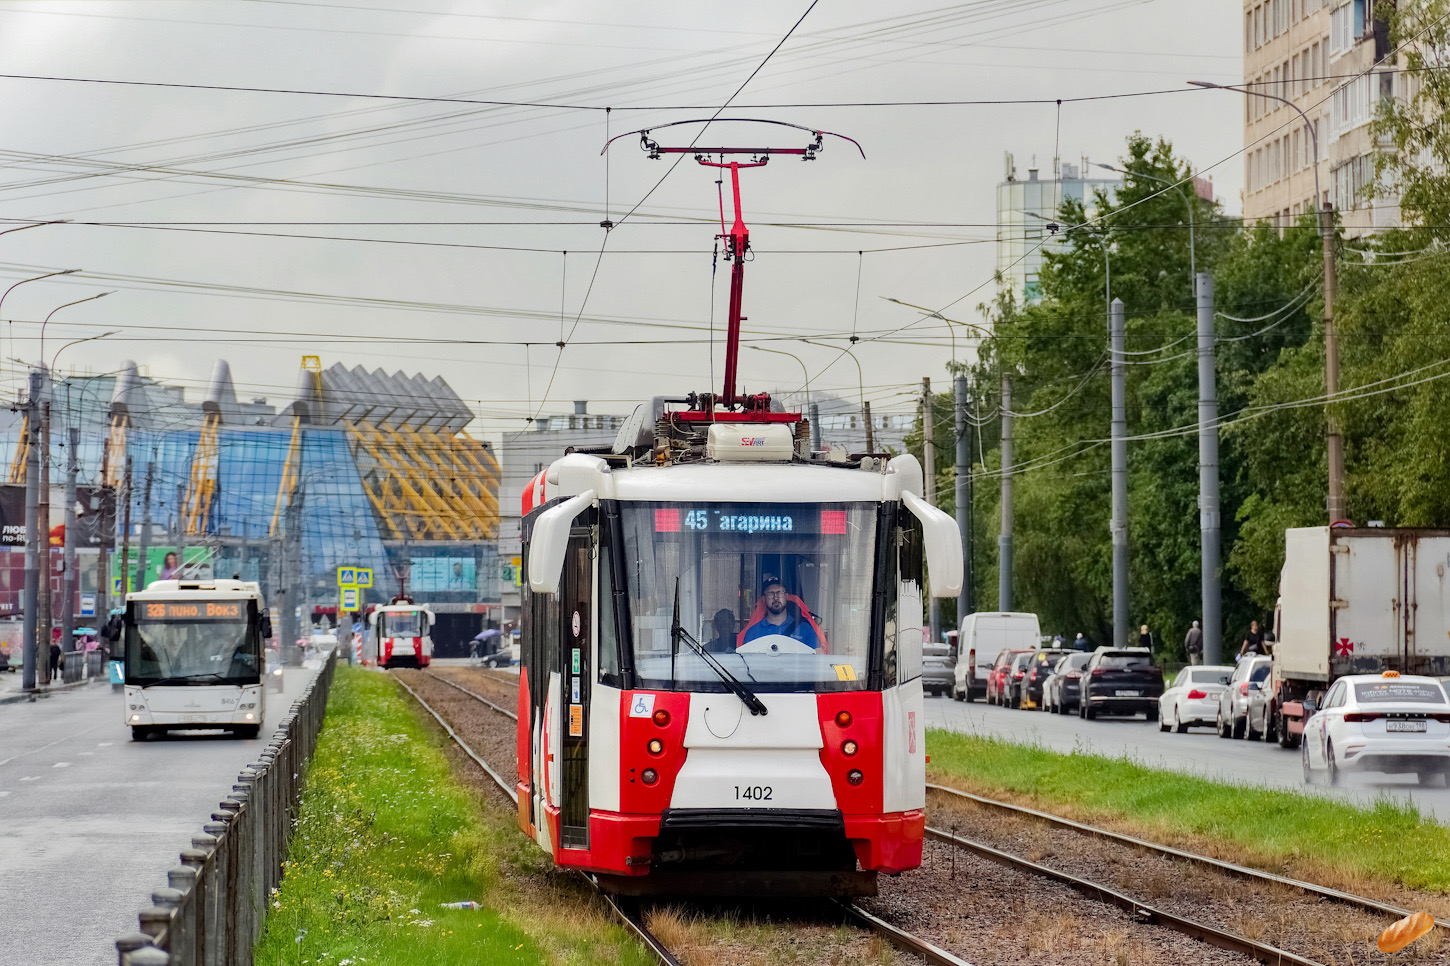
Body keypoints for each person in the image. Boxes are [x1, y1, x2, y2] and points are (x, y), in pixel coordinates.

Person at [740, 576, 825, 650]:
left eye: (780, 593)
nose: (776, 597)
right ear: (763, 599)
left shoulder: (805, 629)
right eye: (770, 593)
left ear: (787, 596)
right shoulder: (753, 632)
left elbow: (816, 660)